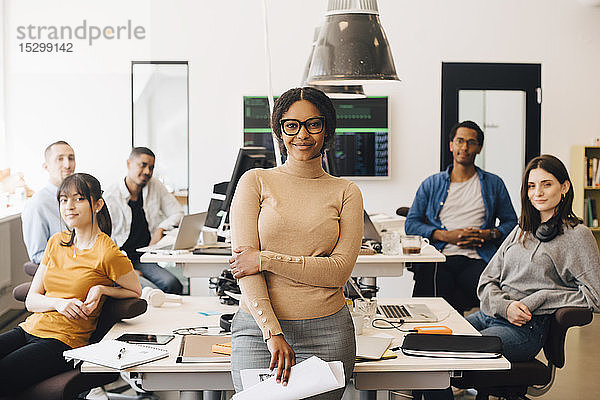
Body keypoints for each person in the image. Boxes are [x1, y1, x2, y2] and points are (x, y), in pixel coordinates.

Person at [420, 154, 600, 400]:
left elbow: (595, 296)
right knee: (425, 352)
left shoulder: (577, 235)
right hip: (490, 315)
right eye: (531, 185)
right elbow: (486, 281)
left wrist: (539, 299)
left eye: (547, 184)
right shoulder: (522, 229)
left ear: (564, 187)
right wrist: (506, 307)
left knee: (451, 355)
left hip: (524, 329)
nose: (538, 192)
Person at [228, 87, 364, 398]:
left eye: (313, 124)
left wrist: (265, 259)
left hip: (328, 332)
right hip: (259, 332)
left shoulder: (346, 191)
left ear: (326, 129)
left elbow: (338, 272)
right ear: (279, 130)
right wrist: (272, 332)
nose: (302, 134)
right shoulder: (255, 181)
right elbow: (244, 268)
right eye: (292, 125)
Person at [0, 173, 142, 396]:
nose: (69, 206)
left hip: (64, 341)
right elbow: (32, 301)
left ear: (97, 205)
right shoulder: (56, 242)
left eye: (78, 199)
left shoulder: (107, 252)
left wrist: (102, 288)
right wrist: (58, 303)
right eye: (64, 200)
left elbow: (136, 291)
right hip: (29, 328)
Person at [405, 121, 517, 314]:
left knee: (494, 294)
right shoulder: (431, 184)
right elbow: (411, 224)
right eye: (460, 141)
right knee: (428, 299)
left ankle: (466, 339)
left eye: (471, 142)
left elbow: (512, 223)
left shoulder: (493, 184)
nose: (465, 147)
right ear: (451, 145)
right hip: (440, 258)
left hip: (478, 258)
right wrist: (444, 236)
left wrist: (488, 234)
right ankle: (427, 340)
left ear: (479, 148)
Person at [104, 147, 184, 294]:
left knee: (173, 285)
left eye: (151, 167)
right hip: (120, 262)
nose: (147, 171)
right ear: (129, 164)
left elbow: (178, 213)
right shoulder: (111, 196)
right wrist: (128, 271)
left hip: (145, 257)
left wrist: (161, 229)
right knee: (152, 292)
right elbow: (105, 240)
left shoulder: (155, 186)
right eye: (143, 165)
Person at [22, 140, 76, 264]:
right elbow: (37, 255)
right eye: (60, 159)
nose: (68, 165)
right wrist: (73, 260)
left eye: (71, 158)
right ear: (46, 166)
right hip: (63, 270)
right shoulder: (37, 204)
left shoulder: (80, 197)